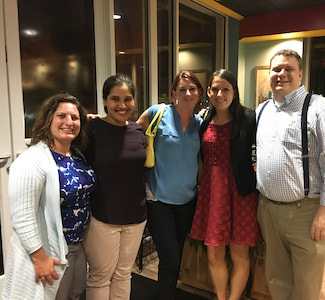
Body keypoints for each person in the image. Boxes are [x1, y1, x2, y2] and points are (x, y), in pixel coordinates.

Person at [256, 49, 325, 300]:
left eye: (288, 69)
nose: (281, 74)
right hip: (268, 210)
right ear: (269, 74)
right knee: (276, 280)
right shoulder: (262, 111)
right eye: (276, 69)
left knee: (306, 287)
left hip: (306, 213)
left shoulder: (320, 109)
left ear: (300, 74)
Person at [2, 93, 96, 300]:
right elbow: (22, 216)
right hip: (49, 250)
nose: (69, 122)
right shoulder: (32, 161)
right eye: (61, 116)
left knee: (74, 294)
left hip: (75, 246)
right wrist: (39, 258)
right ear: (48, 120)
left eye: (75, 117)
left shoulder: (76, 155)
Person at [190, 69, 262, 300]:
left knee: (240, 255)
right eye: (215, 89)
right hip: (212, 194)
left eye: (226, 89)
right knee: (214, 255)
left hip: (240, 195)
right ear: (209, 91)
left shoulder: (250, 119)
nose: (220, 94)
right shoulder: (204, 119)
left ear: (234, 92)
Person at [136, 70, 203, 300]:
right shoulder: (157, 113)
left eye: (192, 89)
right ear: (173, 93)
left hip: (187, 201)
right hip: (158, 200)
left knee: (176, 257)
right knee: (170, 259)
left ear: (200, 93)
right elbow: (129, 135)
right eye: (182, 89)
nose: (187, 93)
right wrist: (100, 123)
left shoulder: (201, 125)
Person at [83, 73, 147, 299]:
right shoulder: (91, 129)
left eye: (127, 99)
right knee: (100, 276)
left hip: (136, 216)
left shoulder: (137, 131)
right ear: (104, 101)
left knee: (123, 274)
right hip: (103, 217)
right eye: (115, 99)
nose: (122, 105)